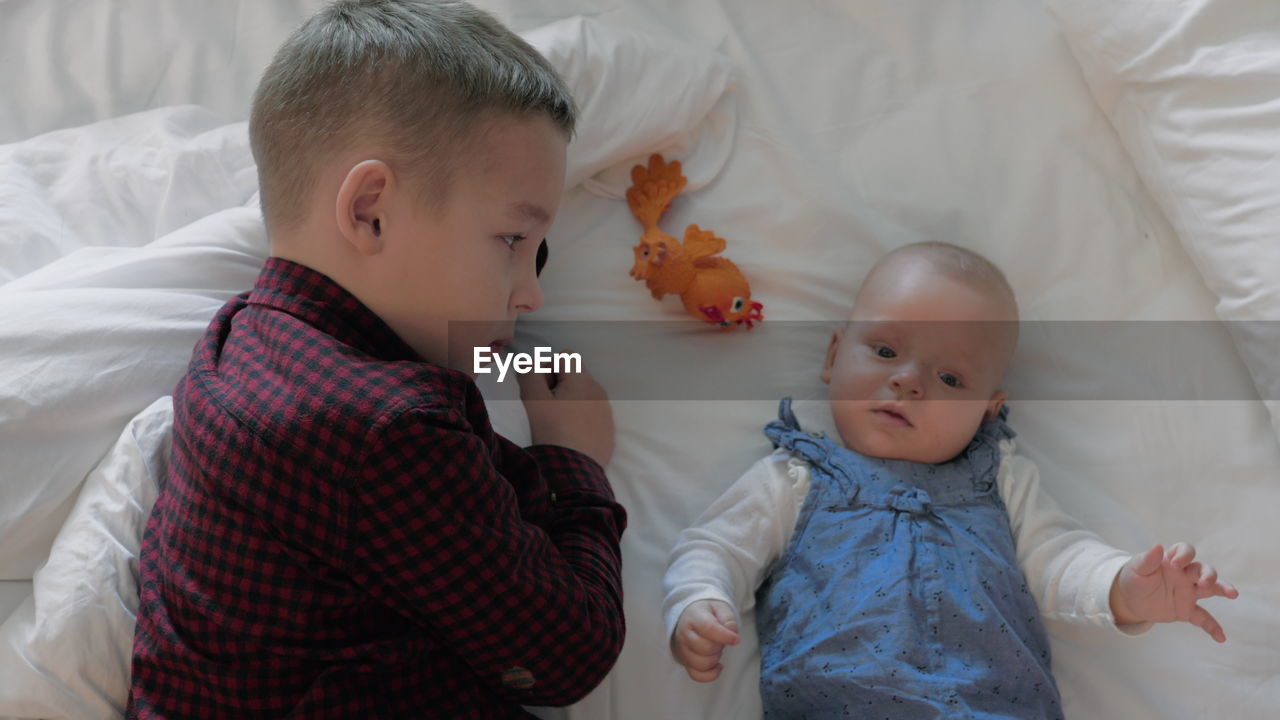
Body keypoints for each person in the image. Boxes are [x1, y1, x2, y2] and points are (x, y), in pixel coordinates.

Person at [127, 1, 626, 717]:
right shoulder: (388, 431)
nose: (533, 295)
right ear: (369, 211)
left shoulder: (237, 336)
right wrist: (577, 461)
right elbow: (566, 656)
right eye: (514, 241)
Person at [662, 241, 1238, 718]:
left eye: (950, 378)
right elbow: (715, 546)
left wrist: (1123, 589)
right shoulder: (794, 479)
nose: (909, 381)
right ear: (834, 355)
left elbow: (1057, 559)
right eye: (885, 350)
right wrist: (699, 600)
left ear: (990, 409)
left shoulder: (1001, 482)